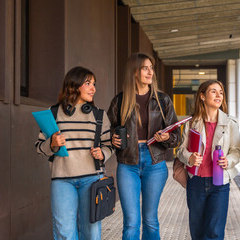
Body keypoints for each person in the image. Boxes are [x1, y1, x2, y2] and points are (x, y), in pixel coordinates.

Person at [107, 52, 180, 240]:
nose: (150, 72)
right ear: (134, 72)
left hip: (154, 163)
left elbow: (176, 137)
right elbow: (110, 132)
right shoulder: (120, 101)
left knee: (150, 220)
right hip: (127, 163)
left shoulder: (162, 100)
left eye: (151, 68)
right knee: (131, 222)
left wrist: (165, 137)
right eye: (145, 68)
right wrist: (113, 140)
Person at [35, 66, 113, 240]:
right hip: (62, 180)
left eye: (94, 84)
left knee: (91, 233)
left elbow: (109, 145)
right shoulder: (53, 113)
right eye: (88, 83)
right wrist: (52, 143)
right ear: (74, 85)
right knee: (64, 233)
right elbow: (39, 147)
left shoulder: (99, 115)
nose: (94, 88)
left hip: (92, 179)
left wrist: (103, 154)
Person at [176, 80, 240, 240]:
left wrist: (229, 160)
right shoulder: (192, 123)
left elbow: (236, 150)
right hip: (196, 182)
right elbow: (180, 150)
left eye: (221, 92)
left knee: (214, 233)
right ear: (202, 96)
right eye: (213, 91)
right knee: (197, 232)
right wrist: (189, 157)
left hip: (220, 184)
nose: (219, 95)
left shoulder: (230, 123)